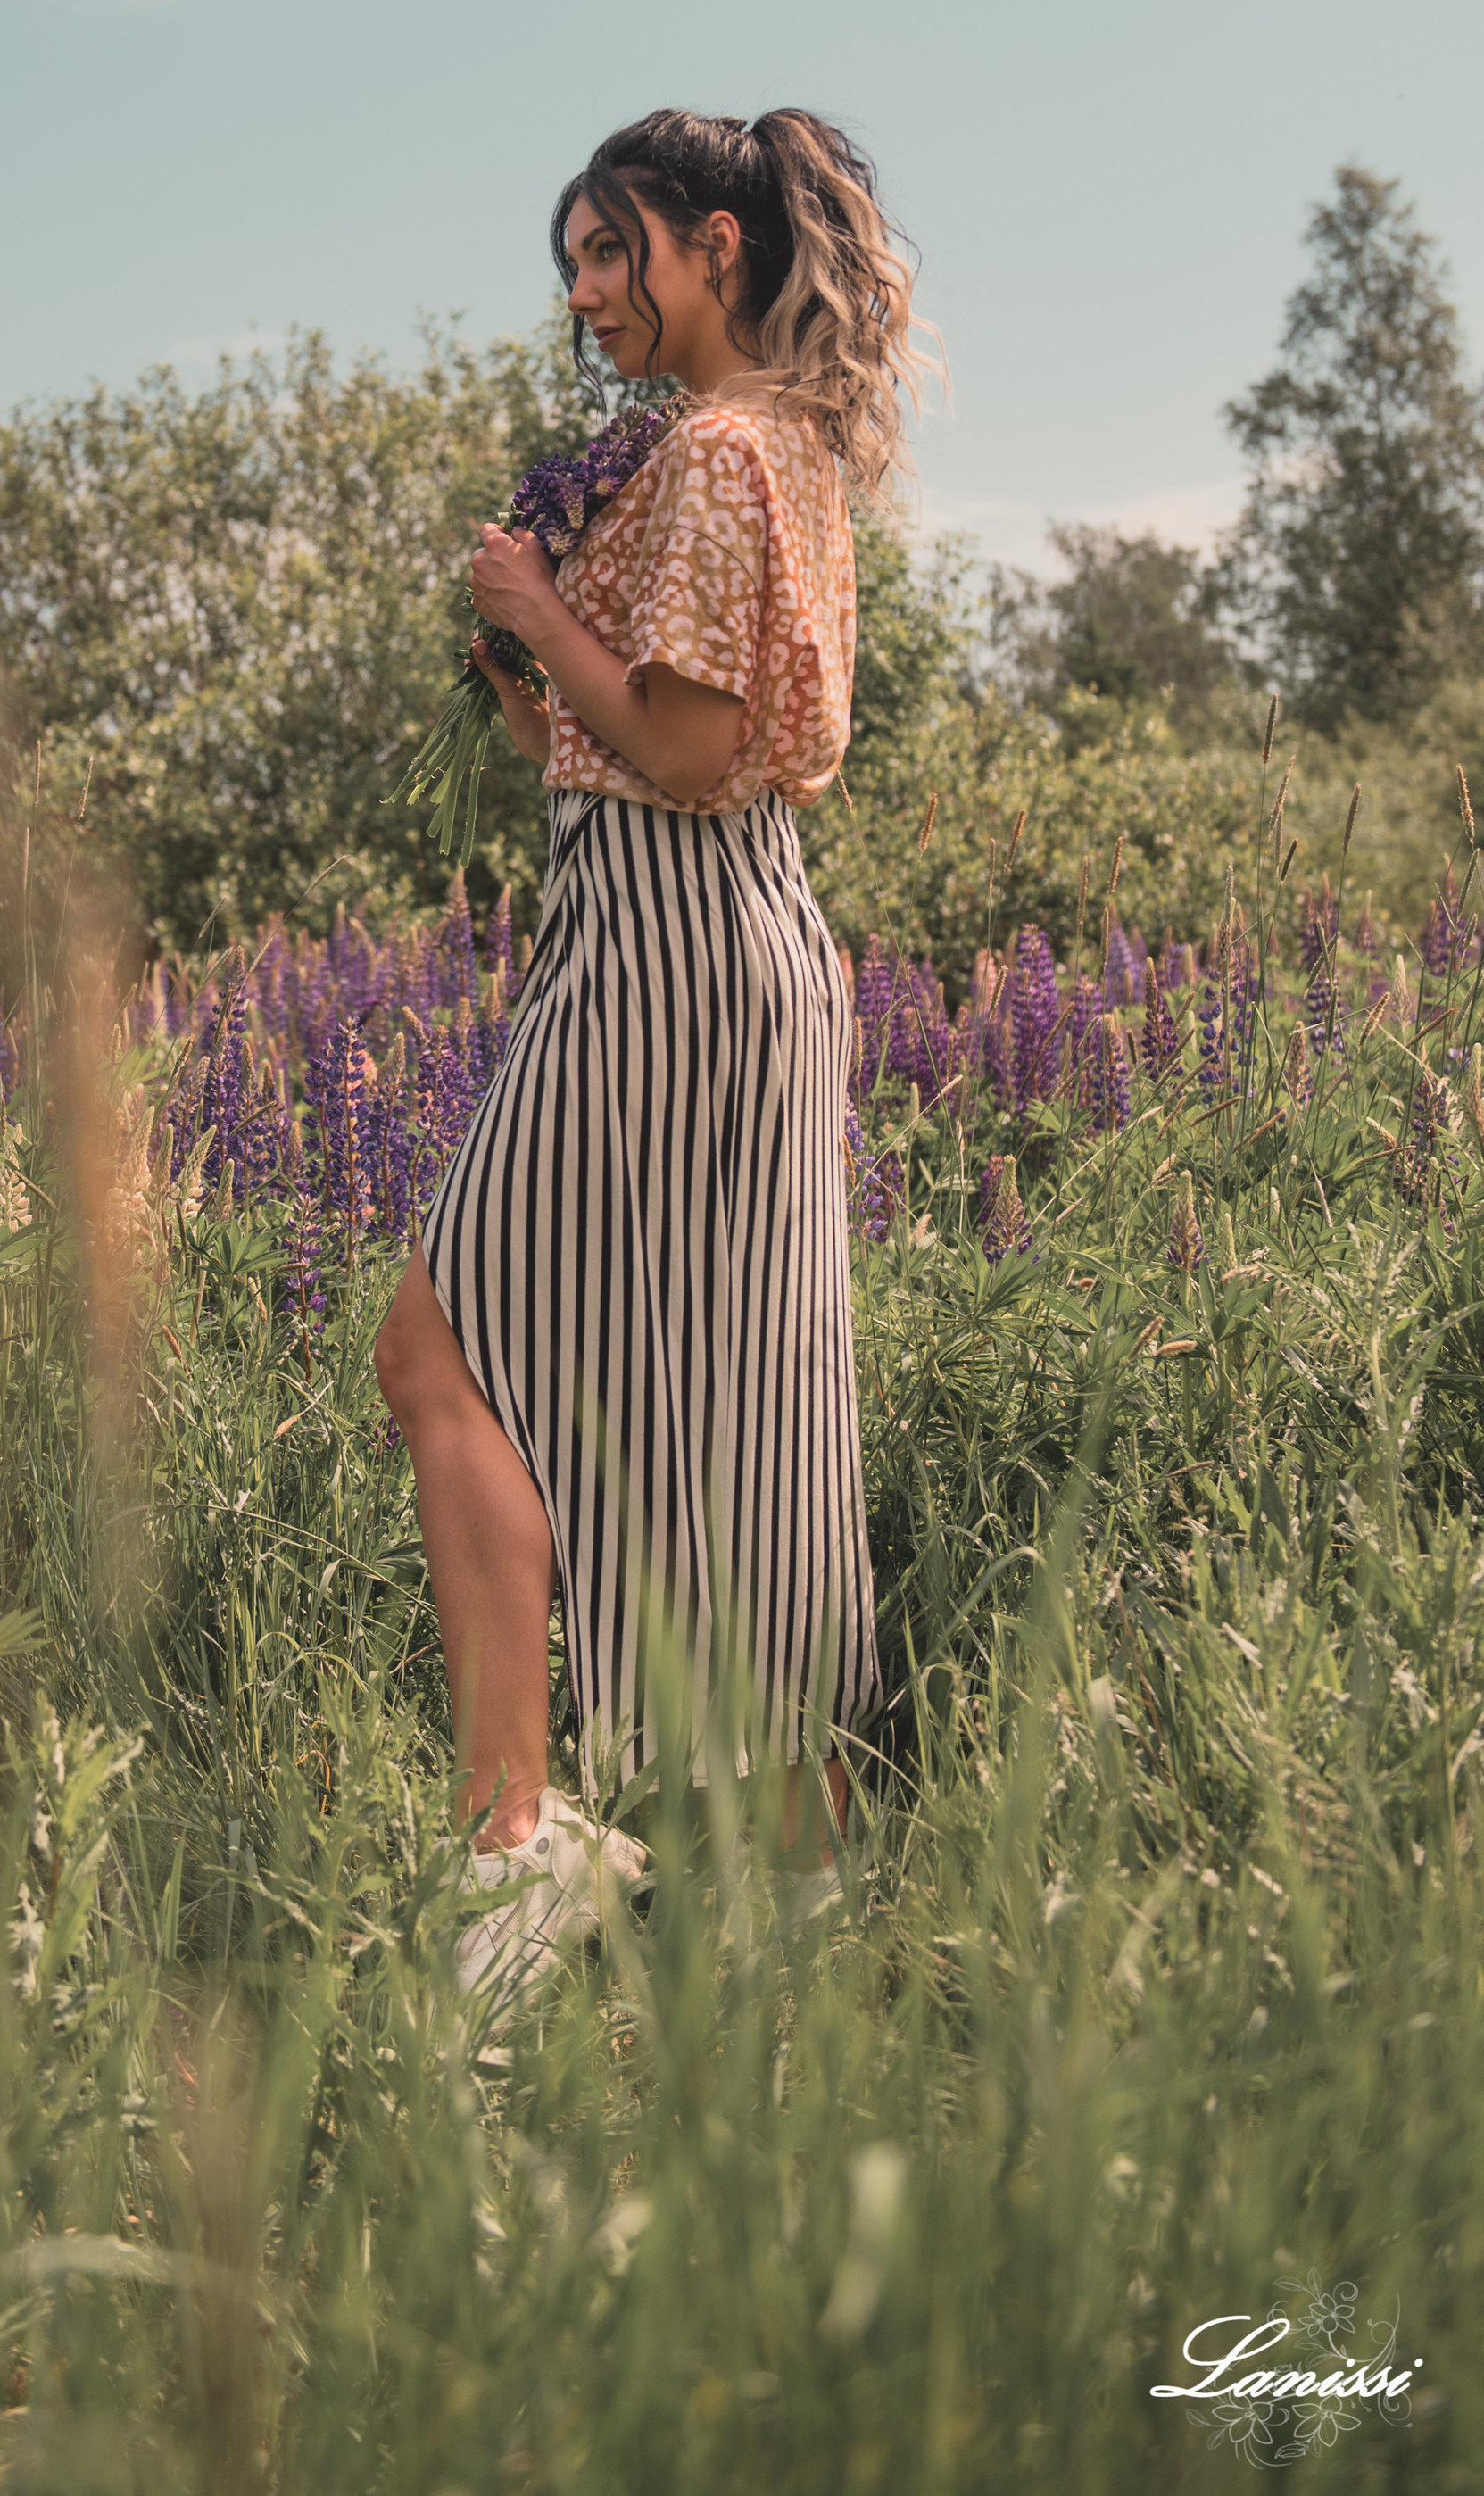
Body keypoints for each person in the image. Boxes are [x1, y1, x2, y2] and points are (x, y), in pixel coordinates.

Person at [374, 105, 937, 1998]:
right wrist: (534, 672)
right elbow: (660, 741)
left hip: (661, 941)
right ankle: (792, 1862)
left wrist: (535, 607)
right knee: (730, 1397)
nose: (586, 291)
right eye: (570, 261)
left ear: (712, 245)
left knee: (441, 1345)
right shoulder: (774, 447)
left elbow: (689, 759)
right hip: (726, 938)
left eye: (614, 251)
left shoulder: (709, 457)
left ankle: (516, 1853)